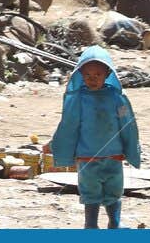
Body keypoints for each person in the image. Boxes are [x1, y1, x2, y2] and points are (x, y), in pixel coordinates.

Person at [49, 45, 140, 229]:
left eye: (97, 75)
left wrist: (130, 149)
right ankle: (90, 225)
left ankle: (114, 223)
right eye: (88, 75)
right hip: (86, 157)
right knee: (90, 193)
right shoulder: (78, 98)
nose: (92, 79)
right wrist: (55, 144)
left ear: (107, 74)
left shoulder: (117, 98)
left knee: (114, 191)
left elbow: (128, 125)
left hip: (114, 156)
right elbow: (68, 125)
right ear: (80, 74)